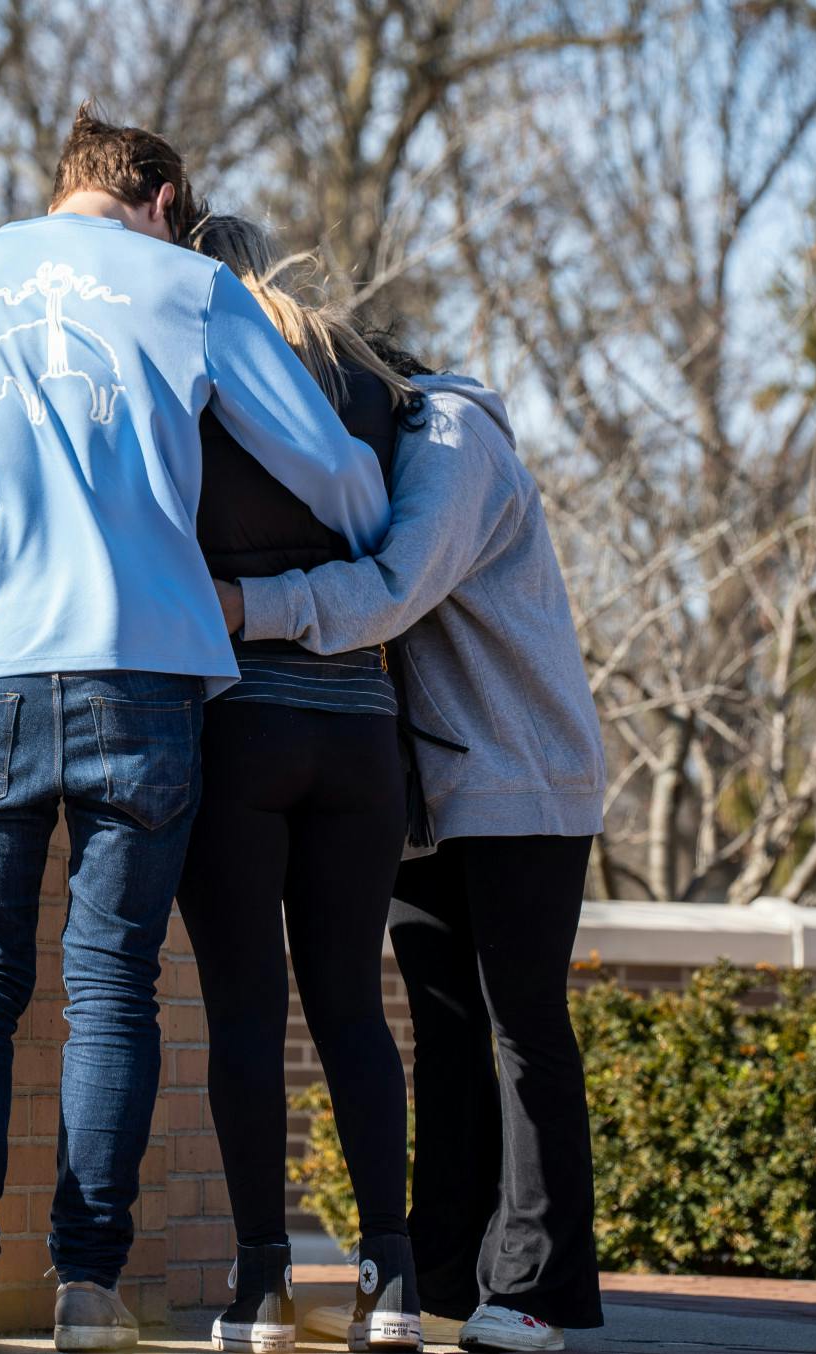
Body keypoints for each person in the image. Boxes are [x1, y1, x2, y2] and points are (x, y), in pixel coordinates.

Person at [0, 106, 391, 1354]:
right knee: (111, 984)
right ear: (160, 196)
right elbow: (320, 459)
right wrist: (375, 515)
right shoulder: (191, 288)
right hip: (143, 668)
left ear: (64, 185)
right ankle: (87, 1288)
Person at [227, 338, 608, 1354]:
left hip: (517, 774)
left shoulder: (446, 434)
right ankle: (442, 1277)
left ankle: (536, 1287)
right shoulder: (372, 445)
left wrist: (241, 608)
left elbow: (395, 587)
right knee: (441, 1031)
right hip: (424, 792)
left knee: (520, 1024)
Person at [179, 215, 425, 1354]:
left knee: (243, 1009)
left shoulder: (192, 382)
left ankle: (262, 1286)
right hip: (360, 731)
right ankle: (389, 1282)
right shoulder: (361, 380)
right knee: (349, 1011)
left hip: (240, 719)